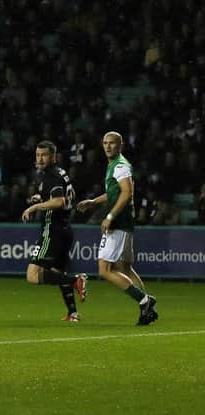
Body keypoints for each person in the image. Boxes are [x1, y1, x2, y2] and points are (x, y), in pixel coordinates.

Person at [77, 131, 158, 325]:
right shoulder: (114, 164)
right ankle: (147, 307)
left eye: (112, 143)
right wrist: (94, 201)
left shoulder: (120, 165)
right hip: (125, 222)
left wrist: (110, 216)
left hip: (119, 222)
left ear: (119, 145)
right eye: (105, 143)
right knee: (124, 267)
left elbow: (127, 193)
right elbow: (114, 192)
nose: (107, 146)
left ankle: (144, 301)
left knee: (104, 269)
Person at [21, 141, 87, 322]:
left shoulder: (51, 176)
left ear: (53, 156)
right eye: (37, 155)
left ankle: (75, 280)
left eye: (44, 155)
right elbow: (60, 197)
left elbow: (58, 202)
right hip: (65, 229)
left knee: (32, 275)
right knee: (59, 271)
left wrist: (35, 208)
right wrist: (41, 197)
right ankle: (72, 313)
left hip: (53, 230)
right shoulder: (60, 173)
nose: (40, 159)